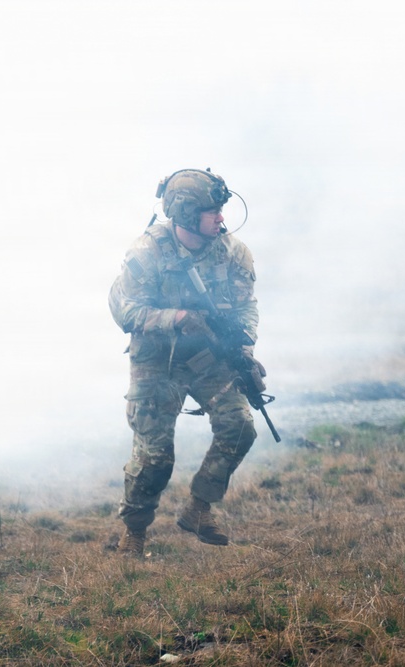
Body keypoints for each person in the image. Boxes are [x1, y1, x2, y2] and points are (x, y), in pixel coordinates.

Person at [108, 168, 261, 557]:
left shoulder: (233, 253)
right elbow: (125, 310)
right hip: (157, 358)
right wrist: (174, 318)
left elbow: (246, 306)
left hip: (209, 356)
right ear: (187, 214)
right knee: (155, 457)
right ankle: (134, 532)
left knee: (240, 427)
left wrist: (245, 347)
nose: (221, 218)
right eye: (212, 212)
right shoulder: (147, 253)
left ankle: (199, 509)